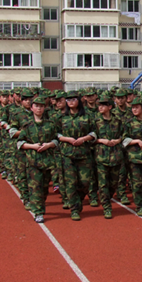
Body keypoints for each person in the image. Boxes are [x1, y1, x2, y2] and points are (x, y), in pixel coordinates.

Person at [17, 96, 58, 223]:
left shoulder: (50, 125)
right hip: (33, 161)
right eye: (36, 106)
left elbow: (56, 140)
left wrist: (49, 145)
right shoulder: (27, 126)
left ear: (45, 108)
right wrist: (33, 146)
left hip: (47, 160)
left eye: (41, 106)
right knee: (35, 188)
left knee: (44, 188)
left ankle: (40, 204)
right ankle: (38, 212)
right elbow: (20, 143)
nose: (39, 108)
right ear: (31, 108)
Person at [56, 90, 96, 221]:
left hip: (84, 153)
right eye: (68, 100)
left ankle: (78, 200)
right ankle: (74, 209)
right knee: (70, 182)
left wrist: (84, 138)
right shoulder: (62, 117)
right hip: (67, 154)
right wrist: (67, 139)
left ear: (78, 100)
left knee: (85, 182)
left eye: (74, 99)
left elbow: (94, 132)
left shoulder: (87, 116)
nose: (71, 102)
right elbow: (56, 134)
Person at [93, 94, 124, 219]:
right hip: (101, 156)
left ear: (110, 107)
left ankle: (108, 198)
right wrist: (101, 140)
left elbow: (124, 135)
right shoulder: (95, 121)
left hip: (115, 155)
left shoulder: (117, 121)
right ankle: (107, 207)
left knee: (113, 183)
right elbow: (91, 137)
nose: (100, 107)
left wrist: (118, 140)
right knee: (103, 184)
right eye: (99, 105)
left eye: (103, 105)